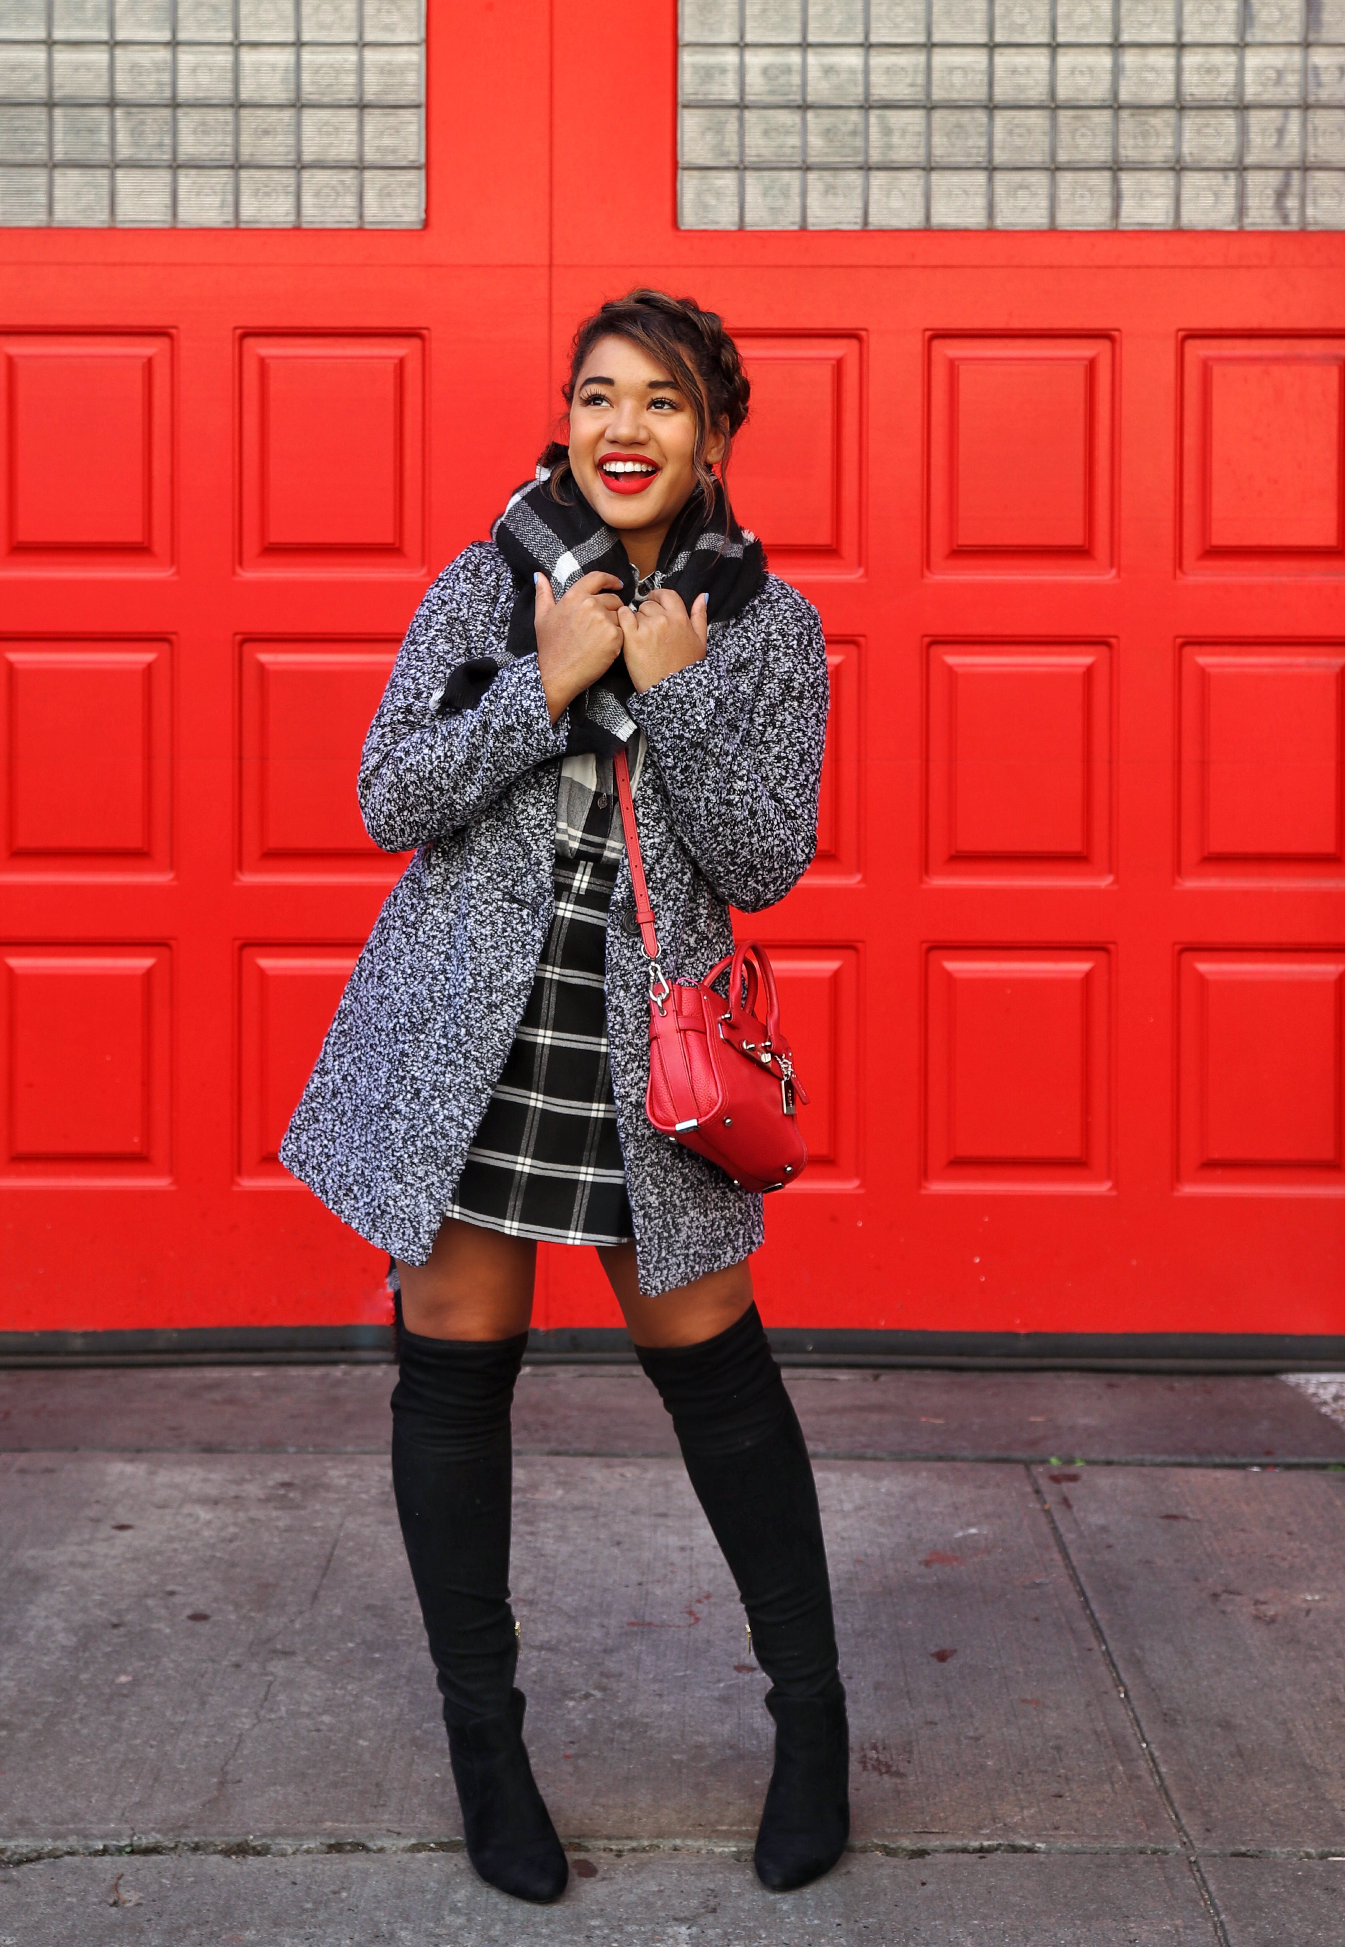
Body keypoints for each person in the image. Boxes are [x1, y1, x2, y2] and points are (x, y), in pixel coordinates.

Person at [281, 290, 844, 1902]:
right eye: (598, 395)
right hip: (468, 1040)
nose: (624, 427)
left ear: (713, 437)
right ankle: (489, 1754)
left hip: (642, 1059)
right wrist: (543, 678)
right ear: (566, 417)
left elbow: (762, 861)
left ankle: (810, 1731)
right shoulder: (485, 582)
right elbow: (391, 796)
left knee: (720, 1385)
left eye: (661, 403)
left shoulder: (767, 627)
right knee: (452, 1380)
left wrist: (667, 690)